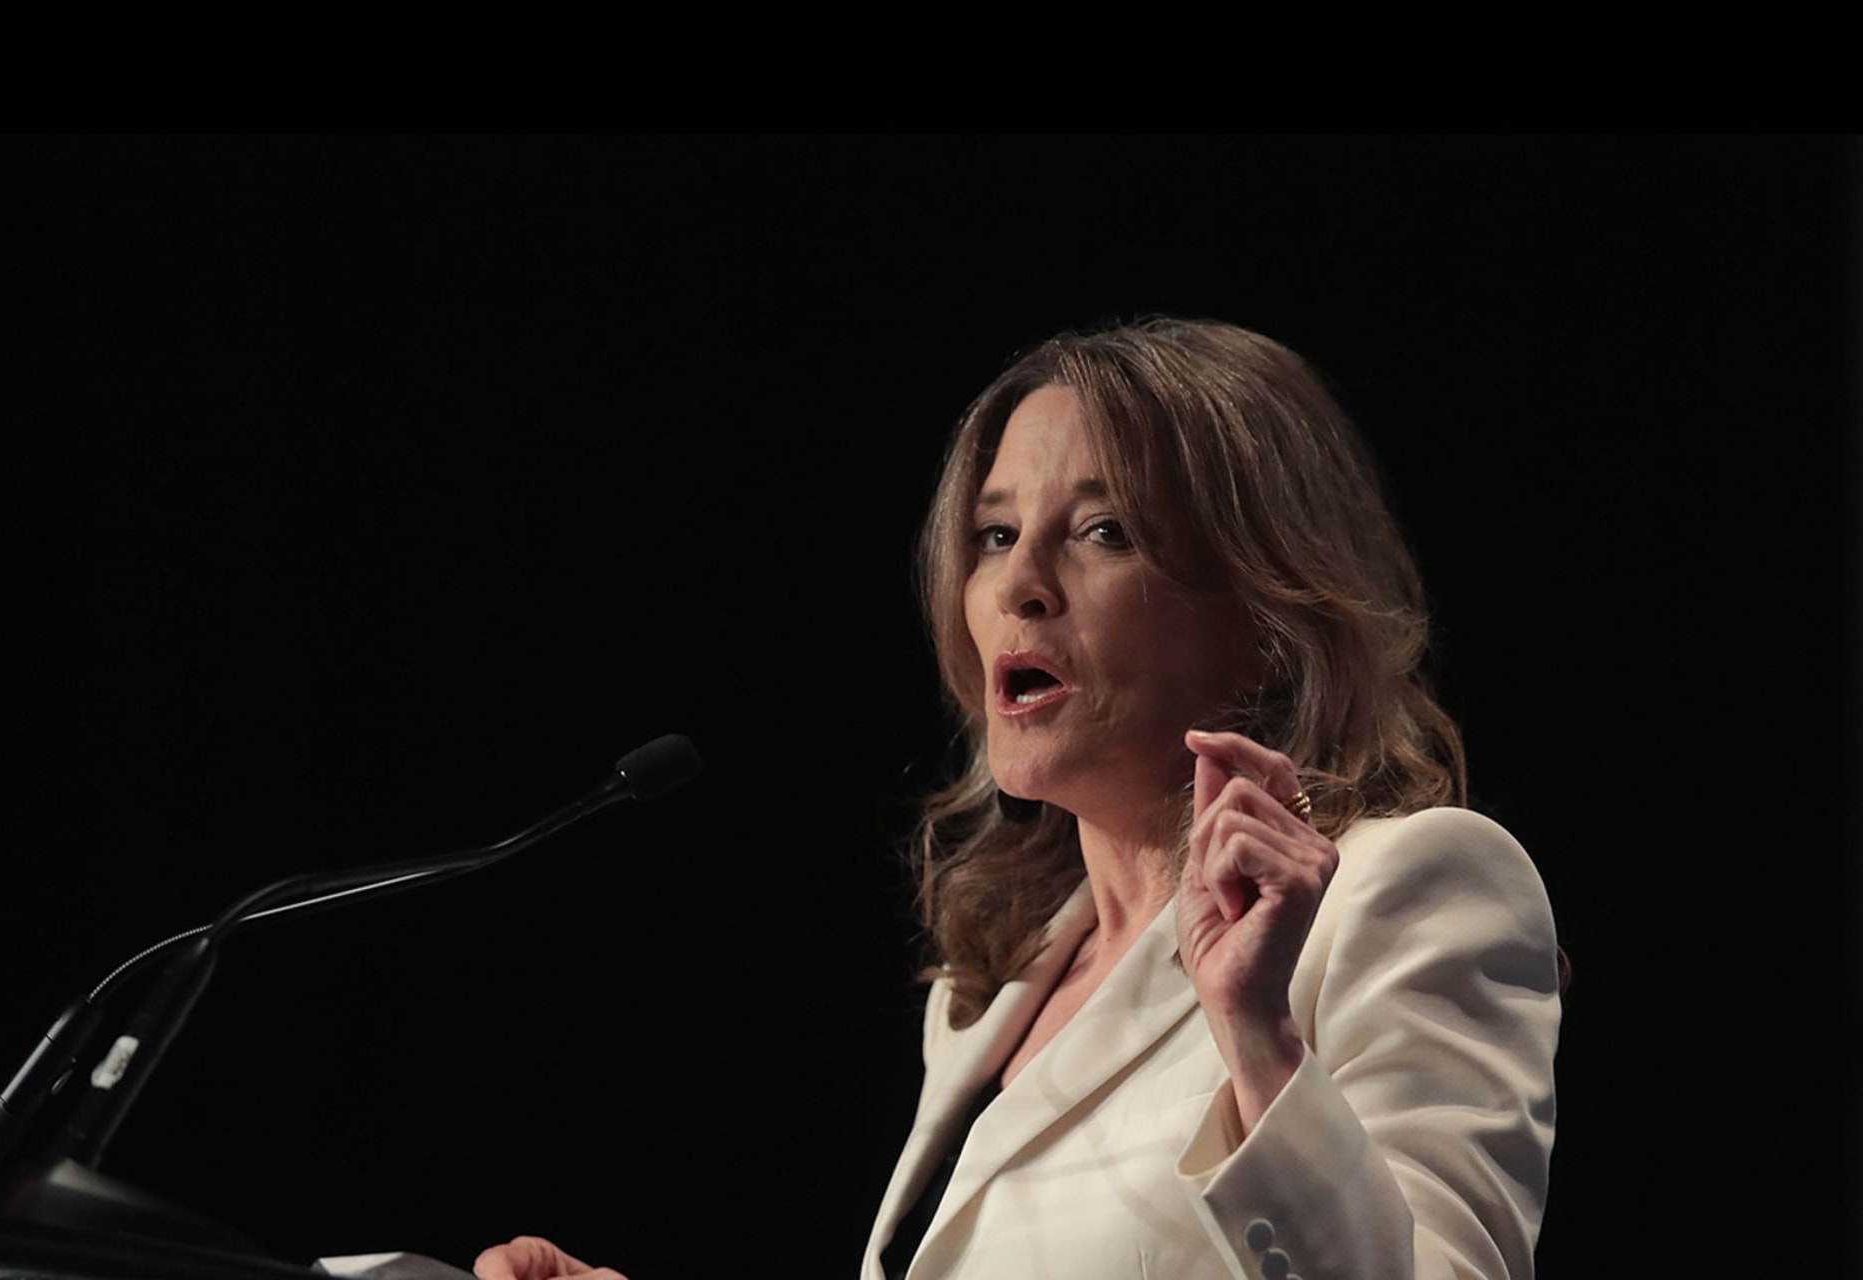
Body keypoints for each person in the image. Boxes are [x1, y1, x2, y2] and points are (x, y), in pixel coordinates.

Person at [476, 320, 1559, 1280]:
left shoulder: (1409, 887)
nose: (1019, 583)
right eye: (995, 534)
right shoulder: (987, 993)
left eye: (1105, 530)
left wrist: (1260, 1039)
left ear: (1265, 629)